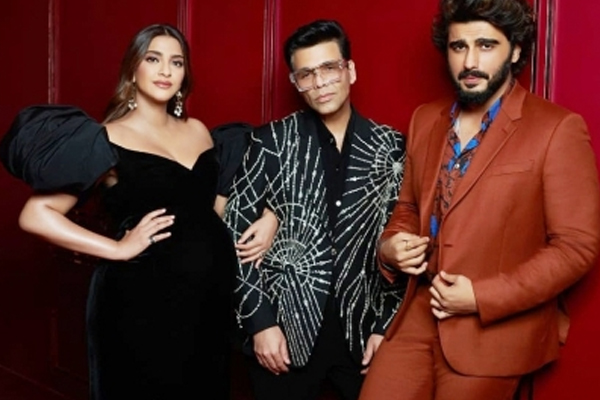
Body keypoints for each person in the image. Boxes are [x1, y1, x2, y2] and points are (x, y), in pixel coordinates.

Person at [0, 23, 275, 400]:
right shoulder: (105, 139)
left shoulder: (199, 131)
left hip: (208, 303)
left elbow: (217, 209)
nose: (166, 71)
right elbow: (36, 214)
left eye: (176, 62)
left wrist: (269, 218)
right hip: (139, 305)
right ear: (133, 69)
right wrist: (118, 248)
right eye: (153, 59)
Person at [358, 1, 600, 399]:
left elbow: (576, 246)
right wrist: (390, 247)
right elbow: (409, 207)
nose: (470, 61)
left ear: (515, 50)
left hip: (493, 331)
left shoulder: (557, 128)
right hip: (419, 311)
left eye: (486, 45)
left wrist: (480, 297)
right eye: (459, 47)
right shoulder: (425, 119)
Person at [224, 19, 407, 400]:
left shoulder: (390, 146)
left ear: (350, 70)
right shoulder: (270, 141)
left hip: (362, 332)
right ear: (295, 82)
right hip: (283, 332)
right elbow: (233, 233)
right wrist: (260, 323)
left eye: (329, 68)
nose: (320, 82)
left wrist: (385, 326)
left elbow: (403, 234)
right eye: (306, 74)